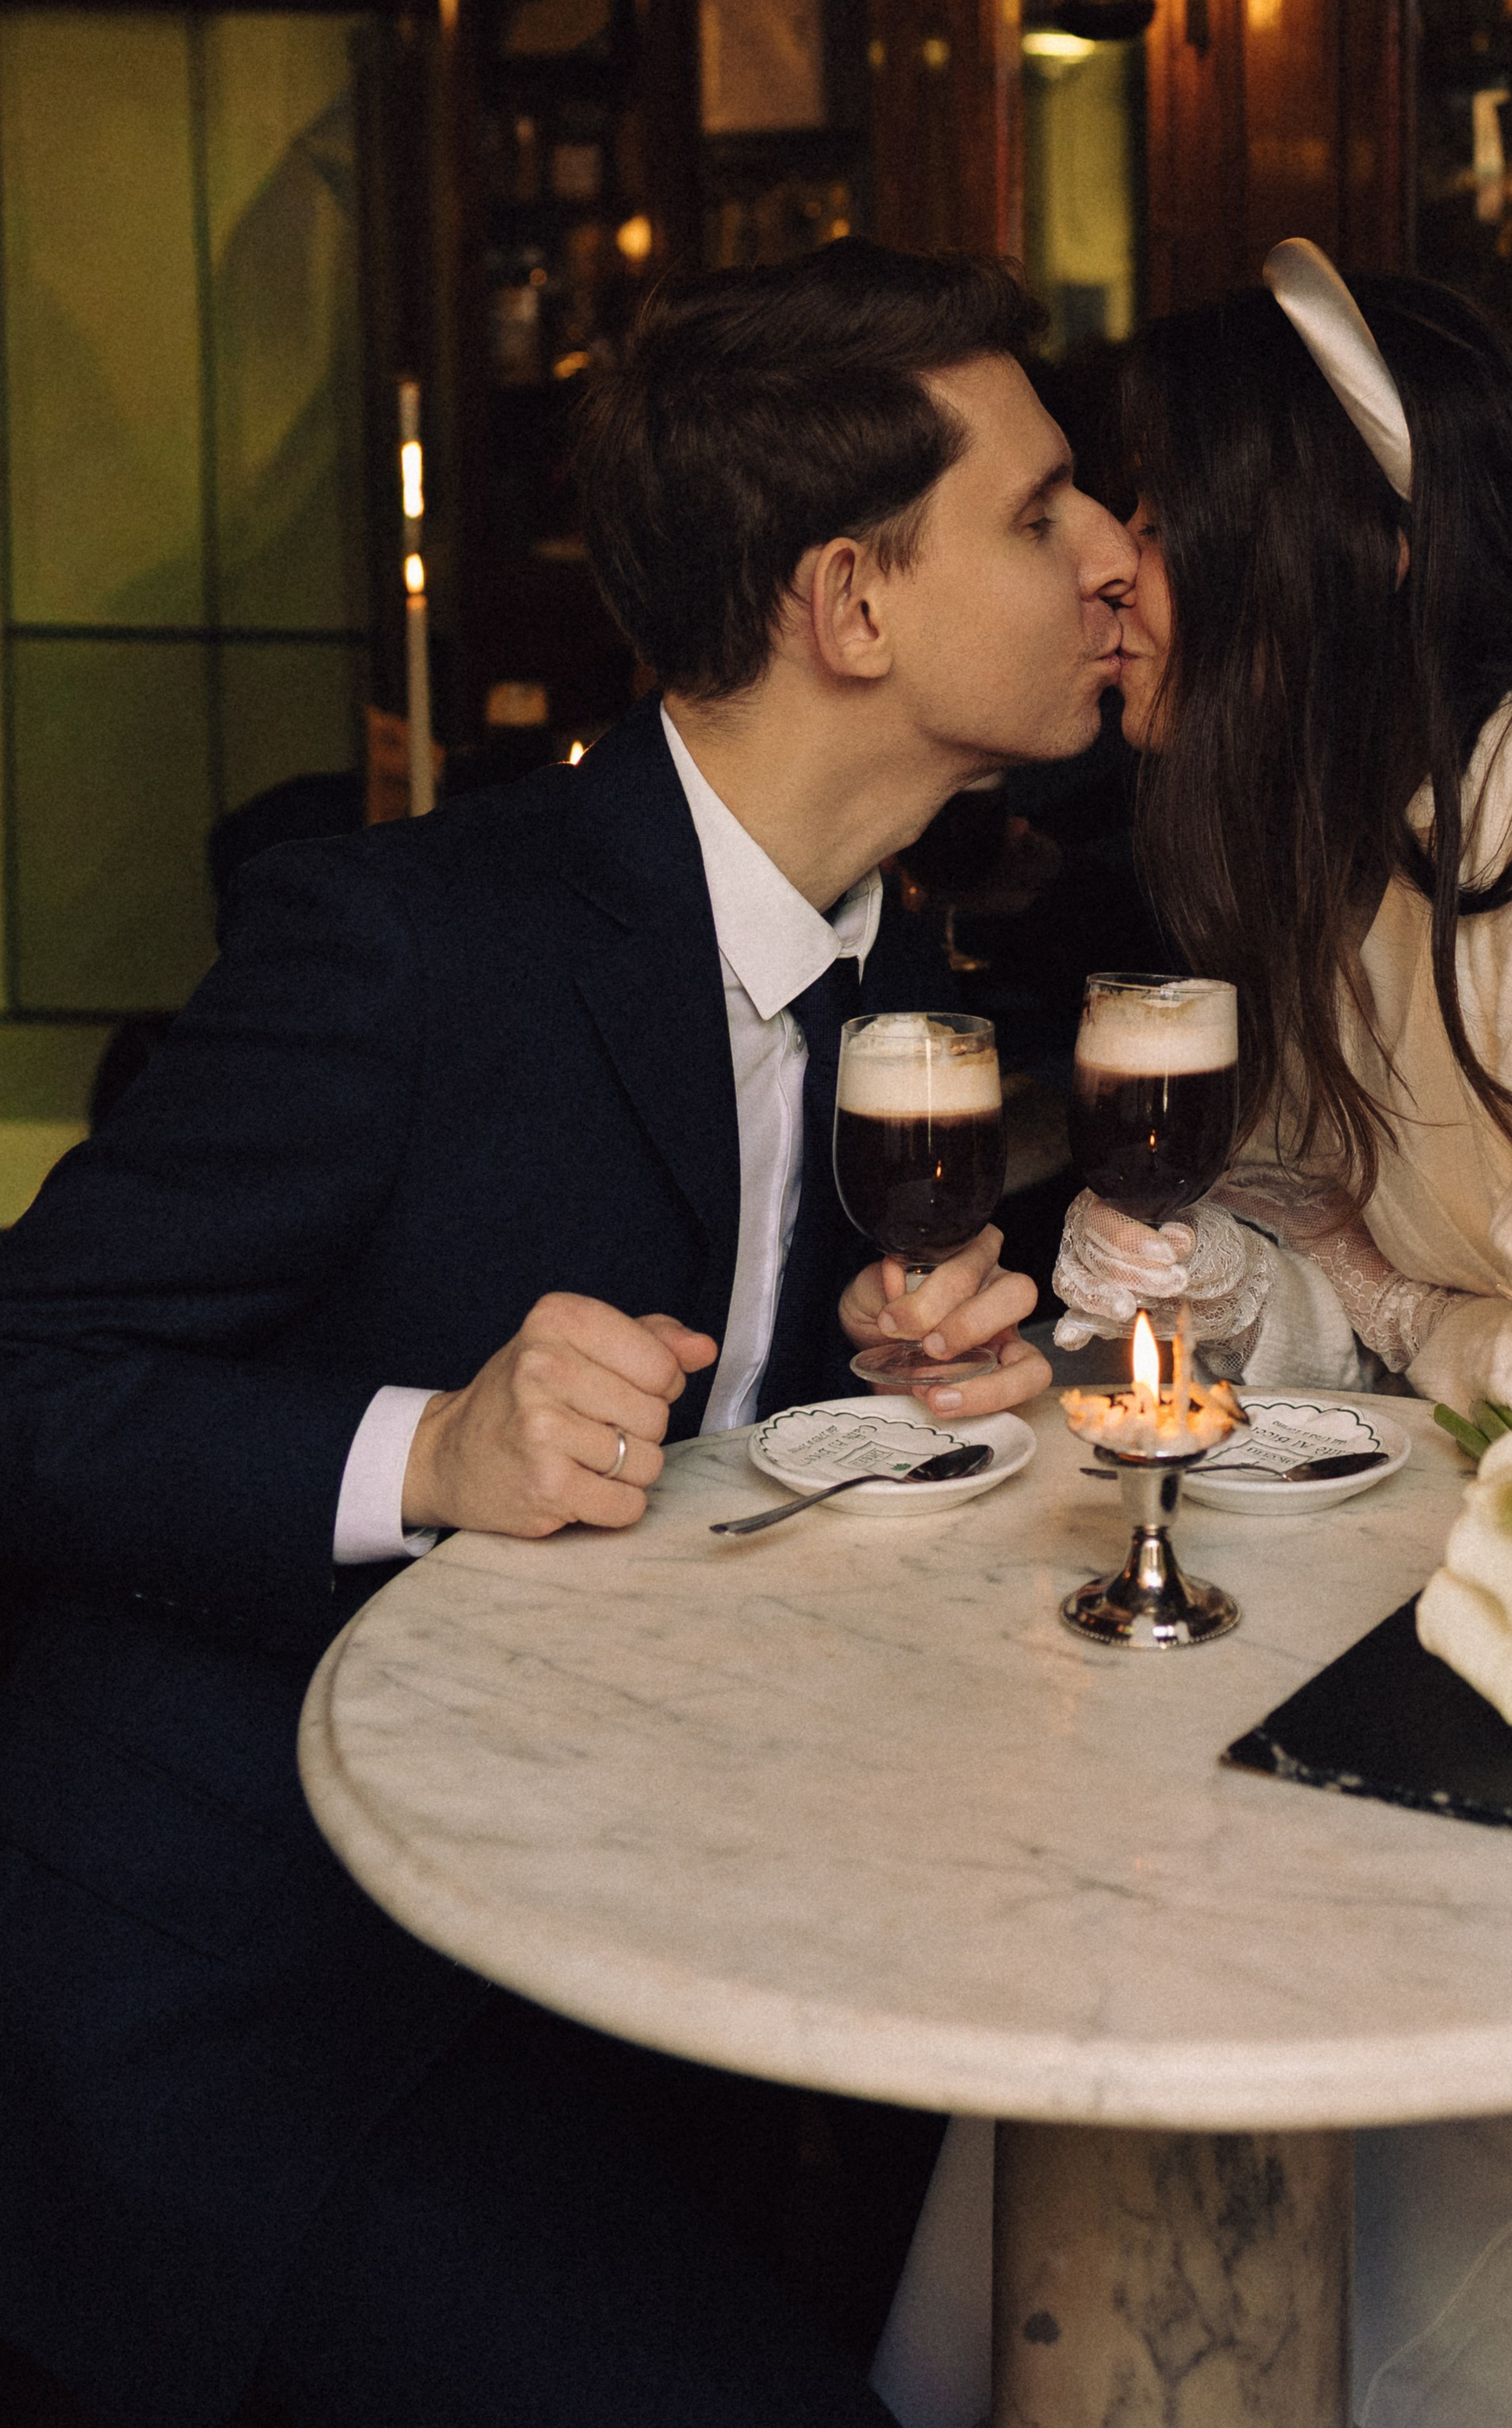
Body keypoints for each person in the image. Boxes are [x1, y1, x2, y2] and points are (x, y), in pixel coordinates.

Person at [0, 240, 1134, 2428]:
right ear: (853, 608)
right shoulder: (411, 947)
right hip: (250, 2010)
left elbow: (719, 1471)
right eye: (1042, 509)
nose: (1111, 560)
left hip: (619, 1954)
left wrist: (905, 1414)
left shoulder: (905, 988)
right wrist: (419, 1454)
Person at [1053, 243, 1512, 2428]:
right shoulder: (1381, 816)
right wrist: (1211, 1276)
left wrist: (1370, 1294)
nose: (1111, 569)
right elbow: (1306, 1245)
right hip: (1469, 1641)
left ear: (1360, 541)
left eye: (1160, 517)